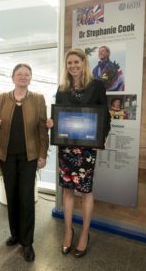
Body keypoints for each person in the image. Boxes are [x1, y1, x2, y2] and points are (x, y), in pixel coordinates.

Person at [47, 48, 110, 258]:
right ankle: (68, 230)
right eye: (69, 63)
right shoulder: (62, 88)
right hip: (66, 147)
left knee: (85, 191)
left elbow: (105, 116)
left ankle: (84, 233)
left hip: (87, 147)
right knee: (67, 190)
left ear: (84, 62)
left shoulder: (97, 85)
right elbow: (58, 115)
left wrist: (102, 138)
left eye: (76, 62)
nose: (73, 66)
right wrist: (52, 124)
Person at [0, 63, 49, 262]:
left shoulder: (38, 99)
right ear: (13, 77)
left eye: (26, 74)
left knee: (26, 199)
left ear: (31, 78)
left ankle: (27, 242)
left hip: (28, 157)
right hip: (6, 155)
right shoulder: (1, 98)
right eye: (19, 74)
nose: (23, 77)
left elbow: (43, 130)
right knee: (12, 197)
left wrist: (43, 155)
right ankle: (15, 234)